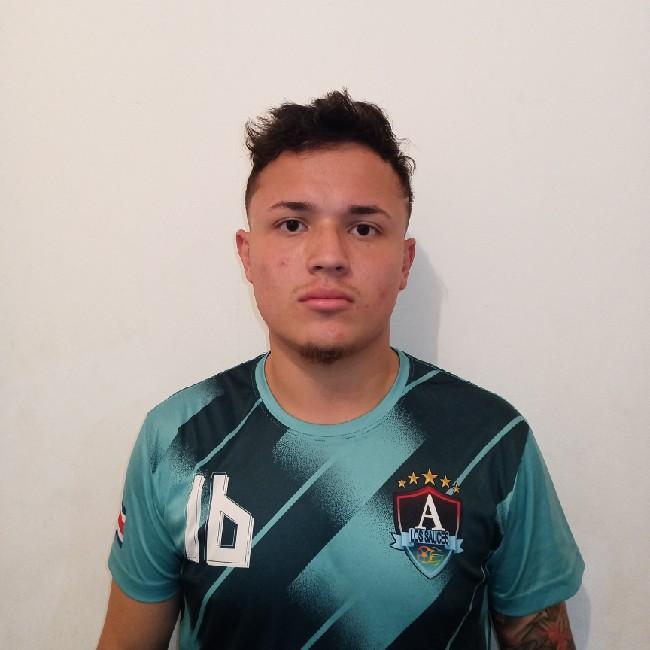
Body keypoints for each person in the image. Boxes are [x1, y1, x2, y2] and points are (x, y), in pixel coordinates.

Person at [98, 90, 583, 649]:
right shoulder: (176, 439)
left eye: (363, 228)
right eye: (292, 224)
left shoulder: (492, 441)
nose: (328, 256)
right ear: (247, 254)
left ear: (404, 262)